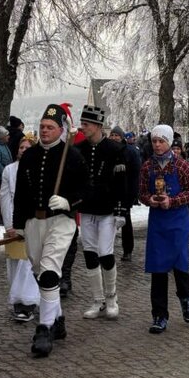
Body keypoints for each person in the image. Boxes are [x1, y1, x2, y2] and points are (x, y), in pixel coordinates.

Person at [12, 104, 87, 357]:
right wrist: (20, 224)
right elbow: (21, 193)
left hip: (61, 221)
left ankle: (43, 329)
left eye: (50, 127)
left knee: (49, 270)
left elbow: (86, 190)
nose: (45, 131)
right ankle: (58, 320)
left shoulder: (73, 156)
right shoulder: (30, 156)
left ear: (60, 130)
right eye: (42, 127)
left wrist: (69, 202)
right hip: (35, 221)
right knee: (38, 271)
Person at [139, 124, 189, 334]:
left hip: (178, 223)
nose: (157, 145)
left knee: (180, 267)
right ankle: (159, 315)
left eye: (161, 141)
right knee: (158, 270)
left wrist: (172, 201)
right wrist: (151, 200)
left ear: (169, 142)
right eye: (154, 141)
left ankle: (186, 298)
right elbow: (142, 193)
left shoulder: (182, 166)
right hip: (158, 224)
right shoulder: (147, 167)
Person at [73, 105, 127, 320]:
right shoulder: (79, 149)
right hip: (87, 209)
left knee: (105, 253)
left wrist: (121, 210)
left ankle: (112, 297)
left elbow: (121, 182)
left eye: (85, 124)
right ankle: (98, 300)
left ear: (97, 125)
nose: (82, 127)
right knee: (89, 254)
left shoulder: (115, 150)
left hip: (107, 210)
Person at [0, 135, 40, 322]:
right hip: (15, 222)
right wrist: (10, 224)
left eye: (27, 147)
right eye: (21, 147)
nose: (23, 150)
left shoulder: (38, 169)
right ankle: (17, 298)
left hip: (32, 222)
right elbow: (5, 198)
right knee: (16, 262)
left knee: (29, 262)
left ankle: (28, 301)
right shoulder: (9, 170)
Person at [115, 129, 143, 261]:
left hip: (125, 192)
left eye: (117, 135)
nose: (114, 138)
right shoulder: (106, 150)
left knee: (126, 222)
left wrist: (133, 194)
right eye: (112, 135)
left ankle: (127, 250)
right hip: (109, 193)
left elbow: (135, 174)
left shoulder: (131, 151)